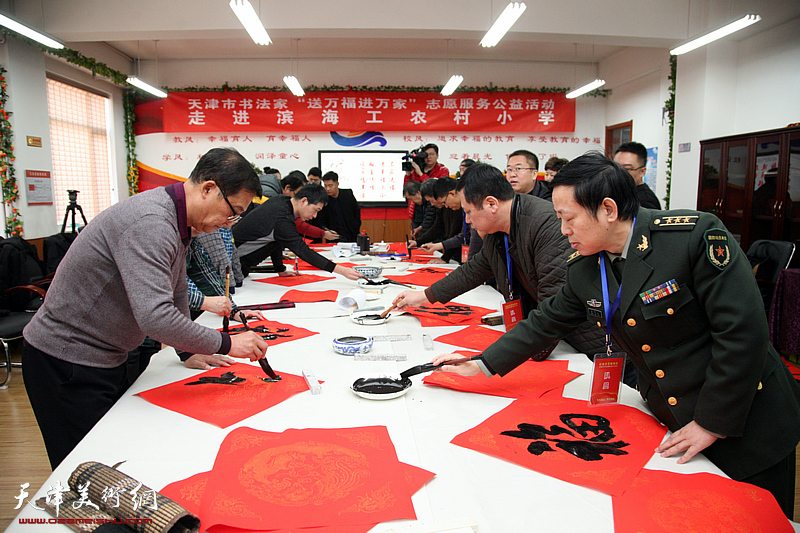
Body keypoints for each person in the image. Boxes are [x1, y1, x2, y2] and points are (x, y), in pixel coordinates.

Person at [432, 151, 800, 517]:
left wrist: (711, 422)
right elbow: (546, 321)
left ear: (607, 210)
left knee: (757, 518)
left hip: (746, 422)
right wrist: (481, 364)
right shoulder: (586, 267)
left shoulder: (693, 238)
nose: (563, 230)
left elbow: (743, 335)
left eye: (568, 218)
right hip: (671, 422)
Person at [22, 147, 270, 469]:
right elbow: (154, 315)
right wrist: (228, 343)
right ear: (208, 188)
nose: (228, 224)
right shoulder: (152, 222)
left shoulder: (179, 222)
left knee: (115, 456)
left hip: (104, 355)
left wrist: (186, 350)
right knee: (86, 471)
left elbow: (177, 288)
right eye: (232, 211)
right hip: (66, 360)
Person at [394, 163, 604, 362]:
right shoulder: (500, 228)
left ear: (491, 204)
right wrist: (423, 296)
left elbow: (554, 303)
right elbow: (474, 270)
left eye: (468, 212)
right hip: (557, 340)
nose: (467, 220)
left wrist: (528, 349)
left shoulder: (546, 225)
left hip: (588, 343)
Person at [232, 183, 362, 280]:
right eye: (315, 210)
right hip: (234, 264)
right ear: (304, 201)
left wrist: (280, 269)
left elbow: (276, 239)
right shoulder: (282, 218)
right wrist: (341, 270)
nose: (315, 216)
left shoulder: (281, 201)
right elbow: (303, 251)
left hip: (240, 263)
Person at [418, 177, 467, 264]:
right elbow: (438, 227)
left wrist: (445, 257)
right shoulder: (455, 205)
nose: (446, 206)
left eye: (444, 202)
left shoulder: (460, 208)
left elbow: (459, 234)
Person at [313, 171, 361, 242]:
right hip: (334, 237)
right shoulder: (324, 200)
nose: (328, 189)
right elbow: (321, 221)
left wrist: (355, 226)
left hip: (351, 234)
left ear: (337, 184)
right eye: (325, 186)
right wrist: (327, 231)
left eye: (330, 185)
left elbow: (356, 212)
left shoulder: (348, 194)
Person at [613, 141, 661, 209]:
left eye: (627, 169)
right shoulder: (620, 192)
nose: (619, 173)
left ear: (642, 171)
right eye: (615, 167)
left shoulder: (646, 201)